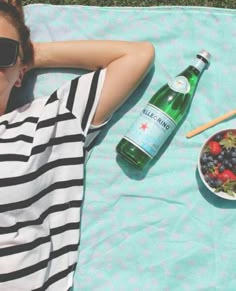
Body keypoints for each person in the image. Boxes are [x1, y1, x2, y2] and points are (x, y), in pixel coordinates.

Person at [0, 0, 155, 290]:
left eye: (1, 52)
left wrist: (30, 54)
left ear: (20, 73)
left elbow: (136, 55)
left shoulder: (45, 122)